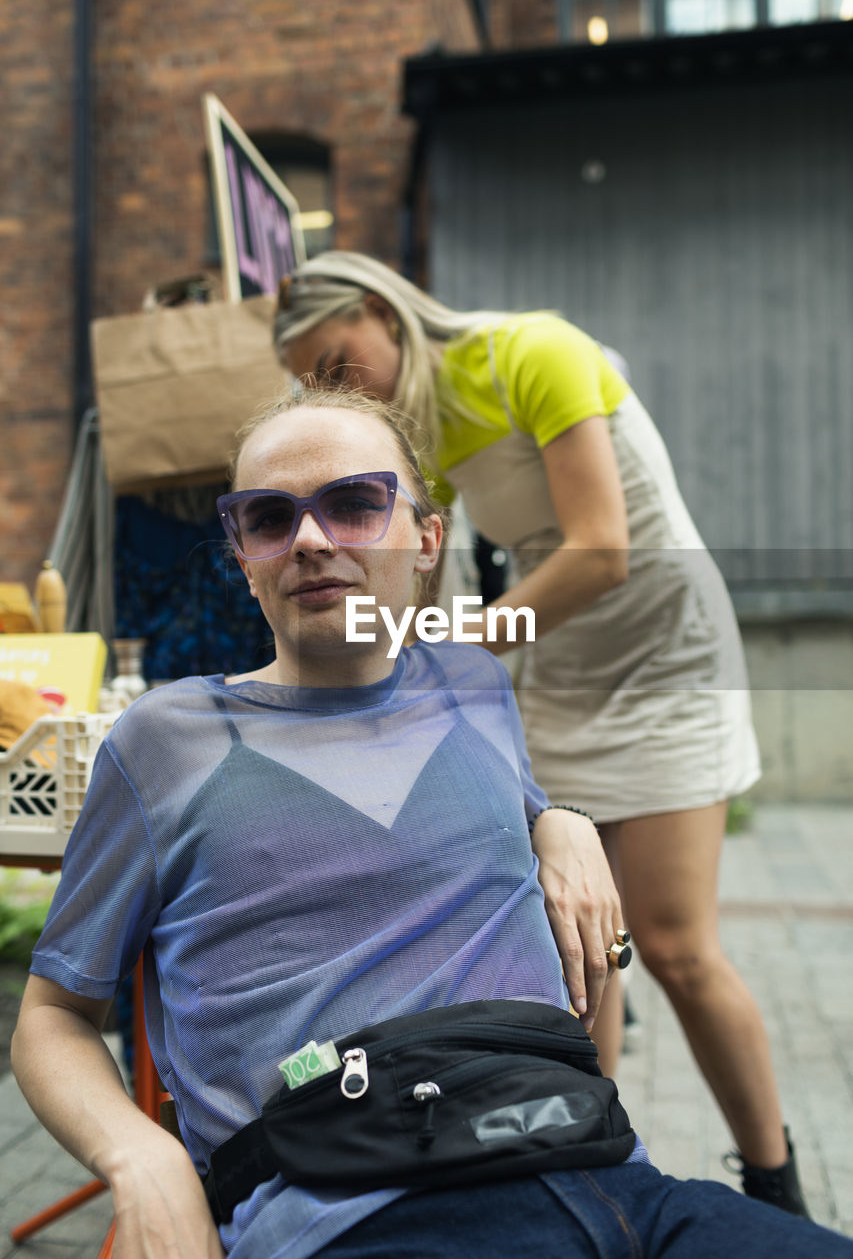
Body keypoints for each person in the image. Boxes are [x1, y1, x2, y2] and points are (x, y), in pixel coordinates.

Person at [14, 390, 848, 1259]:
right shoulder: (167, 741)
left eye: (353, 504)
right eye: (268, 517)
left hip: (607, 1173)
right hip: (353, 1211)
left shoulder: (474, 688)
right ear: (244, 556)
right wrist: (141, 1156)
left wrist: (561, 820)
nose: (308, 539)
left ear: (426, 542)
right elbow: (52, 1012)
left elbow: (497, 818)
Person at [271, 253, 804, 1215]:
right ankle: (591, 1173)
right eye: (316, 383)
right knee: (580, 949)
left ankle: (777, 1185)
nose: (339, 390)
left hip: (662, 656)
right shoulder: (417, 428)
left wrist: (452, 636)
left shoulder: (532, 352)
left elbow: (602, 551)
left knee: (675, 949)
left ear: (377, 311)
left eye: (337, 361)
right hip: (558, 666)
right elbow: (418, 580)